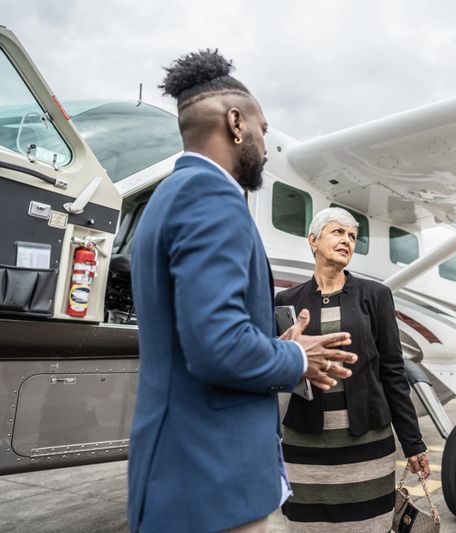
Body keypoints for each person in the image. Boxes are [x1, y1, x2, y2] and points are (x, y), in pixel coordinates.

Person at [128, 50, 357, 533]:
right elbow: (217, 347)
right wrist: (297, 360)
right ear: (236, 123)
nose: (266, 146)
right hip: (213, 486)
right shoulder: (211, 197)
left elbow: (196, 332)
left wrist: (277, 345)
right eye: (263, 130)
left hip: (186, 477)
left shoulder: (171, 195)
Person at [275, 207, 429, 531]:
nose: (347, 240)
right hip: (305, 446)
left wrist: (413, 443)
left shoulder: (376, 296)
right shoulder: (285, 301)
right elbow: (272, 367)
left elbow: (393, 371)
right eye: (338, 232)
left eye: (352, 236)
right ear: (313, 241)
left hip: (366, 446)